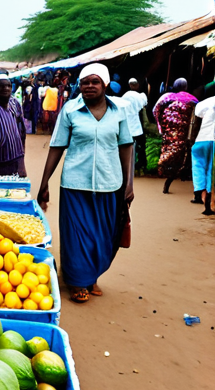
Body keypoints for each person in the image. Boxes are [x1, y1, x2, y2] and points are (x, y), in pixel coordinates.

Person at [37, 63, 134, 303]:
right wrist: (45, 181)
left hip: (110, 183)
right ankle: (78, 282)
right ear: (79, 85)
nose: (89, 86)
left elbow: (126, 147)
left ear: (105, 85)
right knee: (77, 234)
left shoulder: (119, 111)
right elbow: (57, 146)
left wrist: (129, 183)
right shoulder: (70, 110)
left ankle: (91, 276)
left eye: (95, 82)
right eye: (85, 82)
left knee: (103, 236)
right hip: (74, 183)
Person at [153, 78, 198, 193]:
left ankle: (167, 175)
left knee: (169, 153)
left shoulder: (166, 97)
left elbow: (155, 110)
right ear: (186, 86)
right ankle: (179, 176)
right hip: (184, 134)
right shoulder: (192, 99)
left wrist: (160, 127)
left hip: (169, 133)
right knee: (182, 156)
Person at [190, 91, 215, 214]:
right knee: (212, 171)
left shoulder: (205, 102)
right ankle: (211, 201)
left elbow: (197, 116)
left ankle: (201, 194)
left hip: (202, 139)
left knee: (199, 167)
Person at [122, 78, 149, 173]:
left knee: (127, 146)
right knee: (141, 146)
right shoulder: (141, 96)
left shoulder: (124, 96)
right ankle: (142, 165)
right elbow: (143, 106)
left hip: (127, 126)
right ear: (137, 85)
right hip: (137, 125)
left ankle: (128, 166)